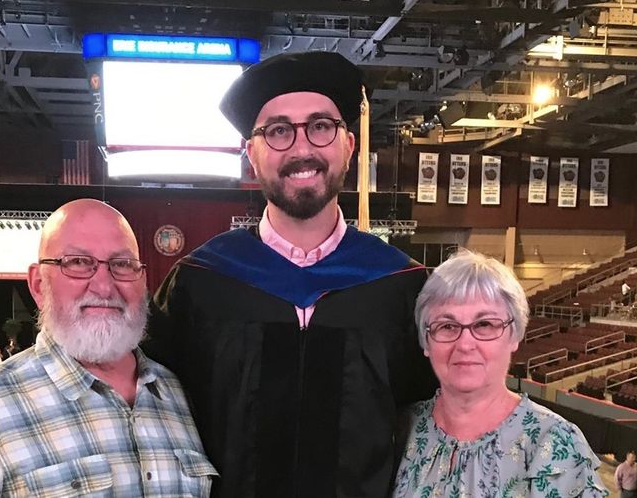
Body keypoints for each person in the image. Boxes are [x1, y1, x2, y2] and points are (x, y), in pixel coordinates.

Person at [147, 51, 434, 498]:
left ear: (349, 145)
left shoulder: (401, 287)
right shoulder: (200, 284)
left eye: (321, 126)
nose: (302, 149)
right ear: (252, 155)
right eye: (278, 130)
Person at [0, 199, 215, 497]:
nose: (104, 286)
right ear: (37, 285)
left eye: (122, 265)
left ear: (142, 281)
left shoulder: (178, 394)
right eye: (77, 262)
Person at [392, 250, 607, 497]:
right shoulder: (399, 429)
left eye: (484, 324)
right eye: (447, 326)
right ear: (426, 342)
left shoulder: (553, 442)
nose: (465, 344)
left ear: (514, 335)